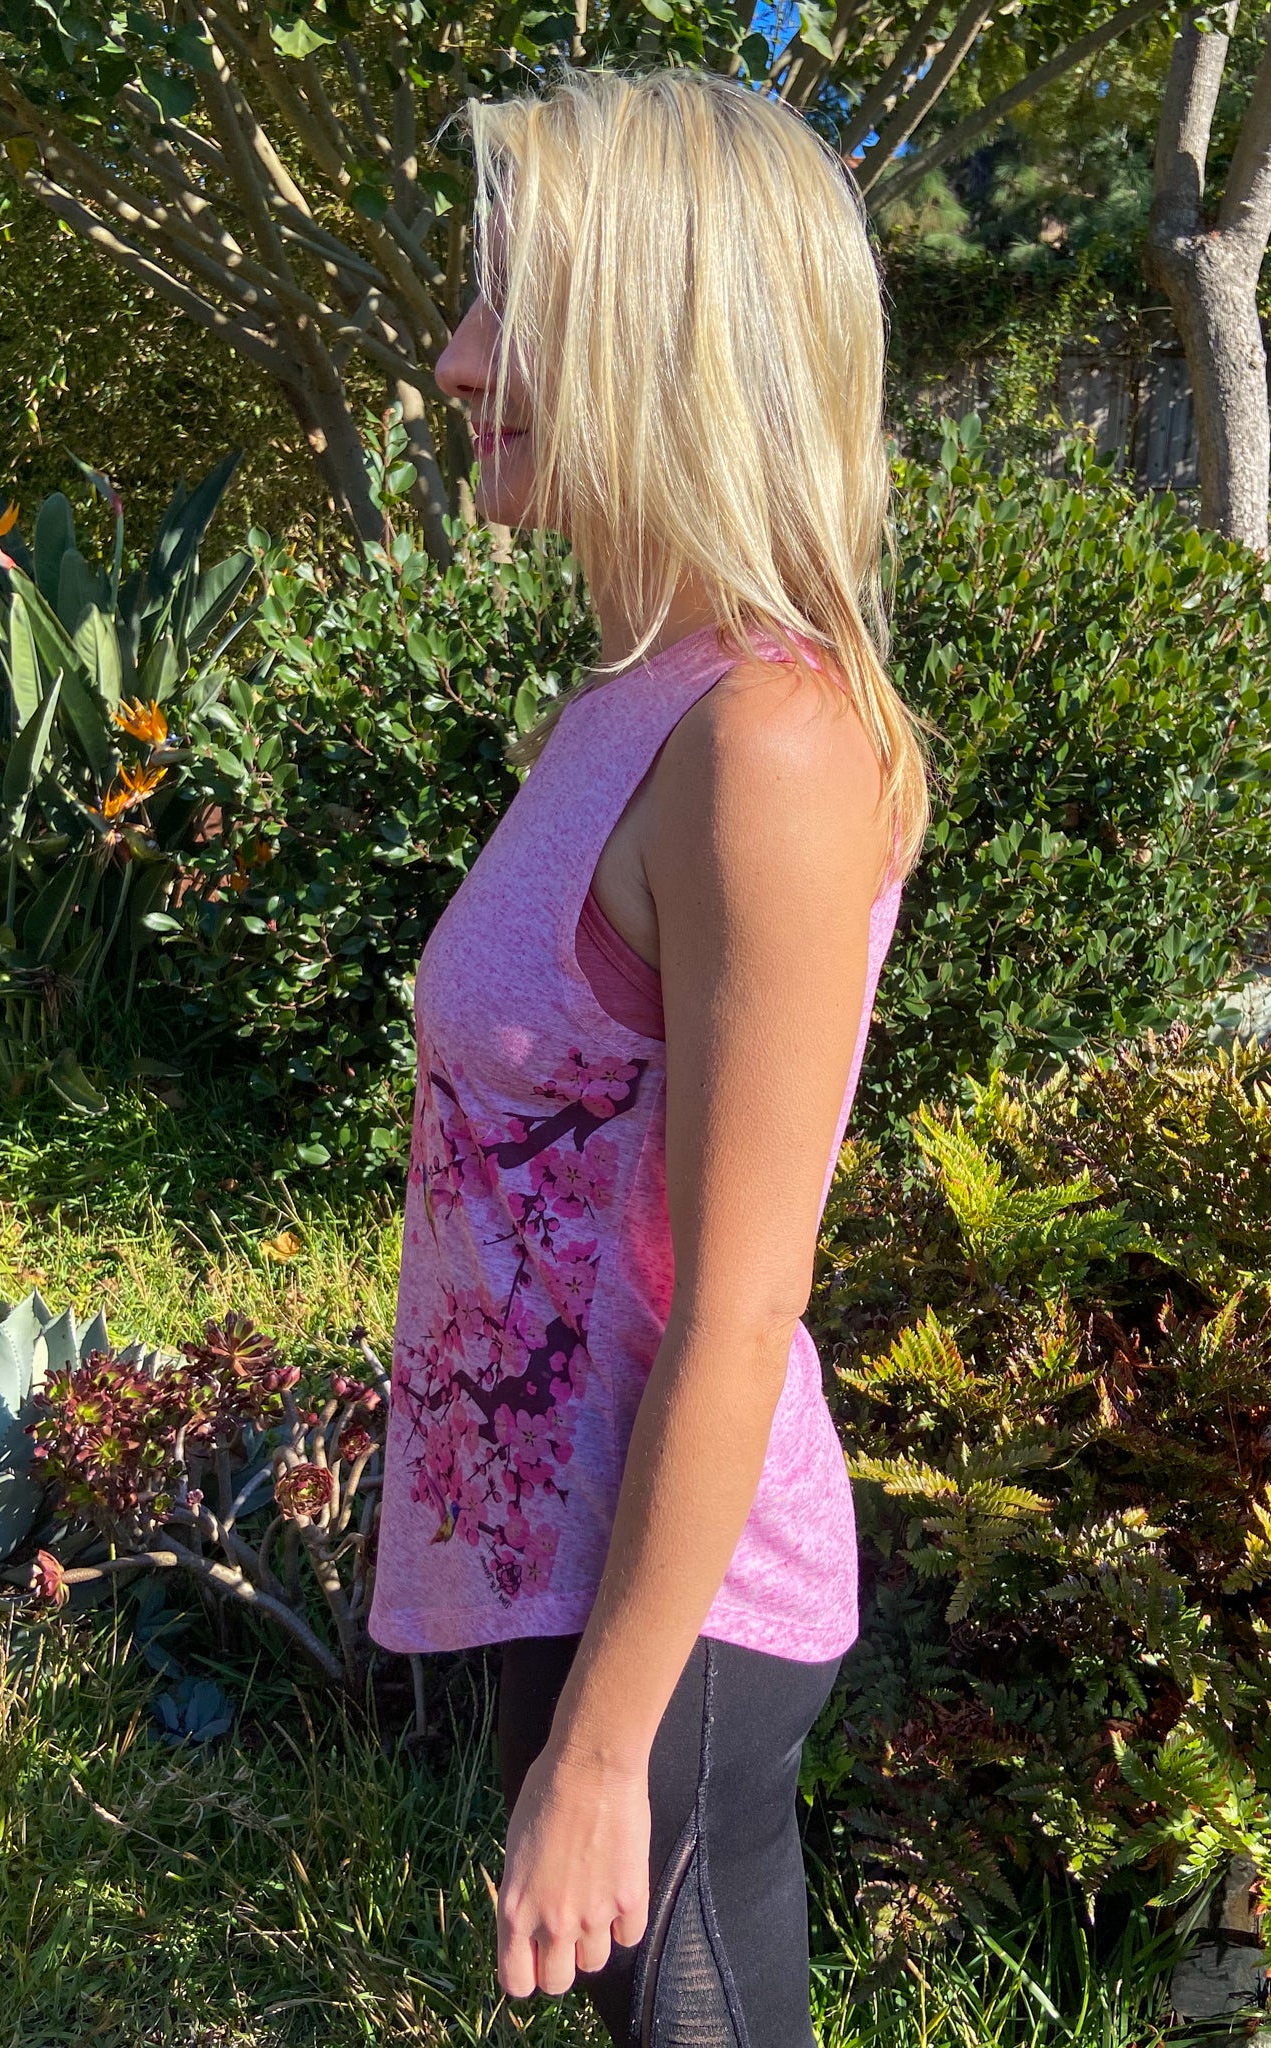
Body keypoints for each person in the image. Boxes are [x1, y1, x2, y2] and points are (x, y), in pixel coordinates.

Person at [369, 65, 929, 2048]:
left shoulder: (768, 745)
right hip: (579, 1565)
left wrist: (604, 1751)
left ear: (668, 338)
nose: (457, 362)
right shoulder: (631, 702)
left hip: (675, 1614)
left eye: (515, 311)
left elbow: (739, 1296)